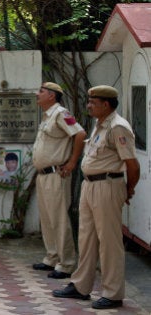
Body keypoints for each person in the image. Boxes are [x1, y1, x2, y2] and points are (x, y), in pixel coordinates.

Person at [52, 85, 140, 310]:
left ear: (107, 105)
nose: (89, 105)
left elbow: (132, 164)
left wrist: (128, 189)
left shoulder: (118, 127)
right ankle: (81, 286)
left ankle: (113, 293)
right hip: (90, 186)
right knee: (86, 237)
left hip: (108, 185)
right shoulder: (100, 125)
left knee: (109, 242)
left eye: (93, 102)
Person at [32, 82, 86, 279]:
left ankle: (67, 263)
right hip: (44, 175)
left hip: (57, 175)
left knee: (59, 218)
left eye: (41, 91)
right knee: (47, 219)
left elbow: (80, 134)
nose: (37, 94)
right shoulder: (48, 115)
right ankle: (52, 257)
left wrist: (72, 162)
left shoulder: (61, 113)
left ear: (52, 96)